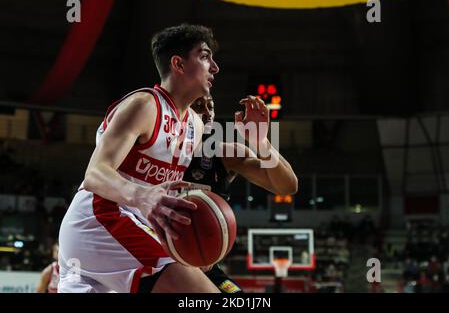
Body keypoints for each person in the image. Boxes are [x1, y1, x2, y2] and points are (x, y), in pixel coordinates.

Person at [58, 24, 221, 293]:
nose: (214, 67)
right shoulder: (144, 105)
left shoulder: (196, 124)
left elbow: (164, 193)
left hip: (134, 227)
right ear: (178, 64)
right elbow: (95, 173)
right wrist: (141, 195)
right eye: (204, 56)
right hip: (101, 220)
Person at [184, 94, 298, 293]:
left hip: (205, 265)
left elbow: (288, 186)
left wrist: (261, 142)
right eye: (198, 106)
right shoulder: (158, 151)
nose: (207, 113)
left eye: (210, 106)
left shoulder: (224, 154)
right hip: (161, 259)